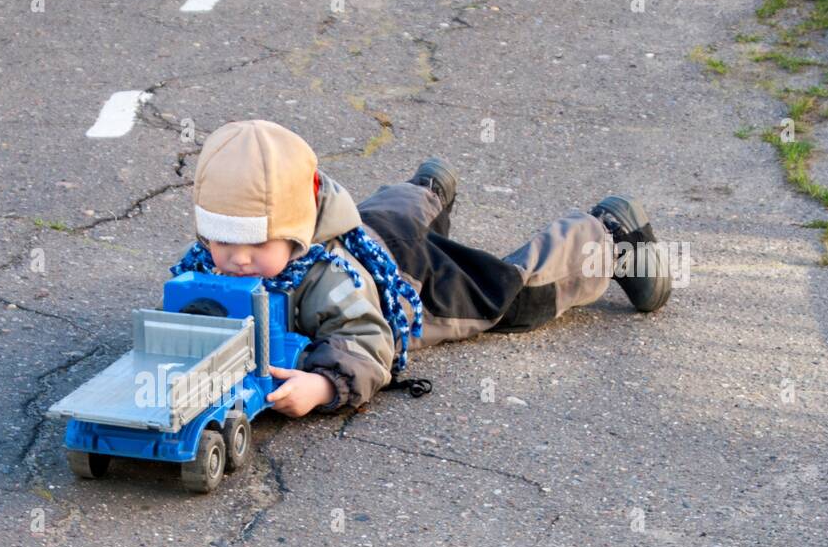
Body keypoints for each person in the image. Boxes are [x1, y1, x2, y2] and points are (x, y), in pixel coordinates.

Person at [168, 119, 671, 417]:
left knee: (509, 295)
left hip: (414, 278)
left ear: (300, 230)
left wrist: (323, 386)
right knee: (384, 219)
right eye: (219, 240)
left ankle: (609, 234)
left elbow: (368, 343)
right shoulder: (215, 263)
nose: (235, 259)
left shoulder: (329, 278)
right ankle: (428, 189)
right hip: (375, 231)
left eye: (256, 244)